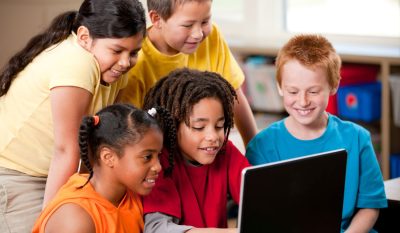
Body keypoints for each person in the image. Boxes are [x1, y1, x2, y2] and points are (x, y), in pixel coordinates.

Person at [0, 0, 146, 232]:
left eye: (134, 52)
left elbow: (96, 139)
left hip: (53, 173)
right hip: (15, 177)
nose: (126, 62)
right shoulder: (77, 62)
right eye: (117, 50)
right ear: (84, 37)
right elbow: (67, 150)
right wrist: (52, 218)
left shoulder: (114, 70)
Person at [246, 34, 387, 233]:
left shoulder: (357, 138)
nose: (303, 101)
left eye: (313, 91)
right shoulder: (261, 146)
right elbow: (260, 217)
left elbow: (370, 206)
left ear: (334, 85)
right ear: (279, 86)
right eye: (293, 92)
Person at [116, 0, 258, 146]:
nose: (198, 34)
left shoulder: (211, 37)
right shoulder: (135, 60)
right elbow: (130, 130)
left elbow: (234, 95)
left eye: (205, 21)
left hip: (205, 149)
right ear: (157, 19)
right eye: (187, 25)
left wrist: (255, 148)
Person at [141, 68, 251, 233]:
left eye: (219, 126)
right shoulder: (158, 163)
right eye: (199, 127)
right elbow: (157, 229)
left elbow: (258, 199)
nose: (213, 136)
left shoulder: (225, 151)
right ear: (171, 127)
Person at [32, 103, 169, 233]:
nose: (158, 167)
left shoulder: (133, 192)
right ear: (108, 157)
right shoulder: (75, 220)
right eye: (147, 157)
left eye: (158, 155)